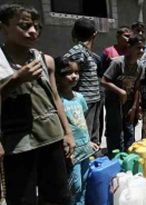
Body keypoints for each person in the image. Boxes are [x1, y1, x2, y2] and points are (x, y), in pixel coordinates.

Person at [0, 4, 75, 204]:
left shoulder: (44, 60)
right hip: (18, 145)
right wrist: (16, 80)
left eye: (35, 26)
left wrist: (67, 133)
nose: (32, 31)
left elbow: (55, 97)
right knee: (23, 198)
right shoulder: (1, 61)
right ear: (4, 27)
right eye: (24, 26)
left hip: (51, 138)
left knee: (58, 196)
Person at [54, 57, 99, 205]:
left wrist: (89, 141)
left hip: (84, 149)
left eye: (77, 72)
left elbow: (83, 123)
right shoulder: (57, 101)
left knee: (84, 182)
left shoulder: (79, 97)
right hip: (71, 153)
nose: (74, 76)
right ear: (56, 76)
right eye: (68, 73)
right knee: (74, 185)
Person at [101, 34, 144, 155]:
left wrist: (135, 107)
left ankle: (128, 157)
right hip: (114, 103)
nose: (141, 51)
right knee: (115, 132)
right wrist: (120, 91)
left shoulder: (140, 66)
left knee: (129, 132)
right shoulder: (118, 63)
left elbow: (137, 88)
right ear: (129, 47)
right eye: (138, 47)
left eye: (143, 48)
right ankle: (114, 159)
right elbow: (103, 81)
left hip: (129, 104)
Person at [64, 18, 102, 145]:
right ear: (94, 34)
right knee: (85, 136)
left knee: (93, 136)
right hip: (85, 101)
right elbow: (66, 71)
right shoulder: (79, 52)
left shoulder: (85, 52)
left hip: (94, 99)